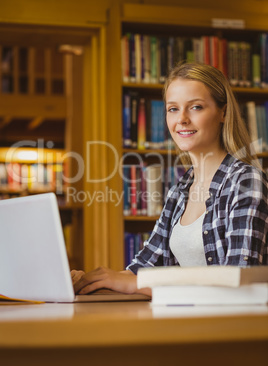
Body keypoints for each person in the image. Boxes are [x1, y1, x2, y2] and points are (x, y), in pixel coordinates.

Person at [72, 61, 268, 297]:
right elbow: (143, 269)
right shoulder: (180, 190)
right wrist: (91, 280)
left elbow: (239, 280)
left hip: (232, 328)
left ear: (223, 113)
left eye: (195, 107)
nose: (182, 119)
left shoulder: (247, 182)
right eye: (173, 109)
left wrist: (136, 284)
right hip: (186, 322)